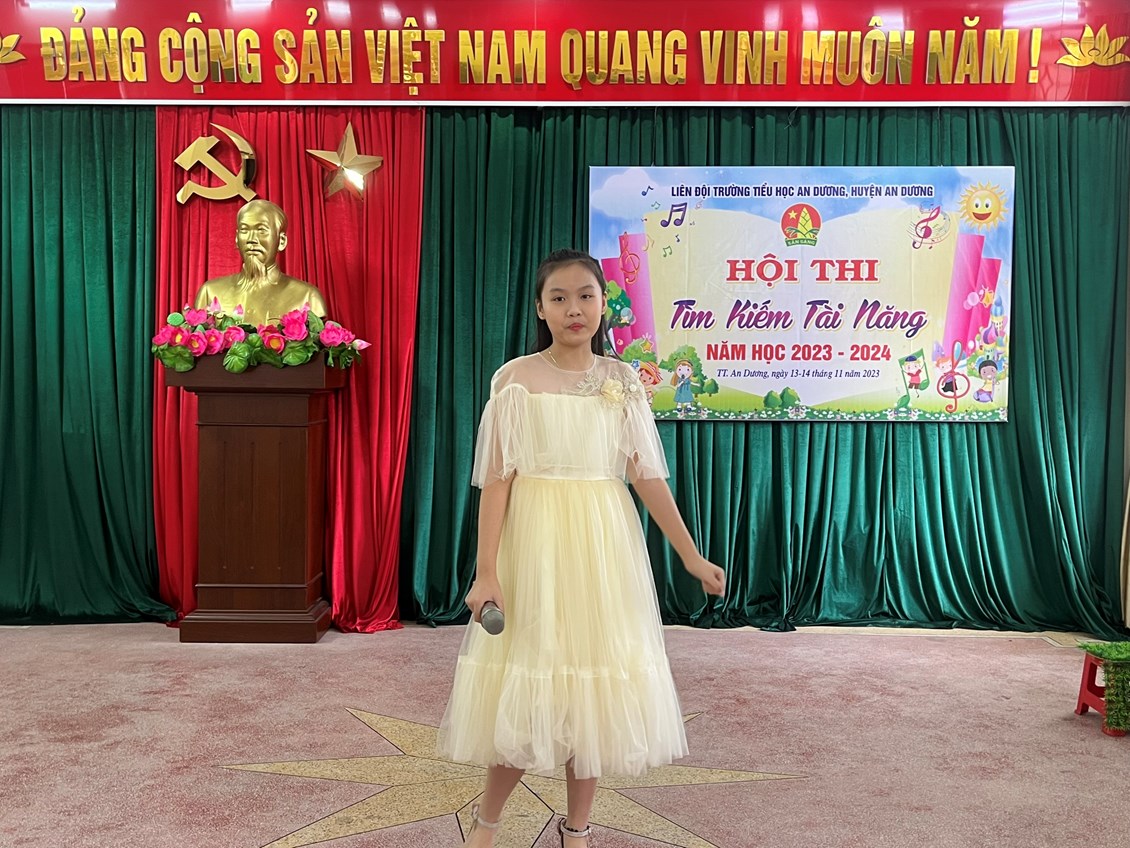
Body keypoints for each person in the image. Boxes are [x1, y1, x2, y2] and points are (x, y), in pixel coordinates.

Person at [437, 249, 726, 847]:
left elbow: (647, 477)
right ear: (540, 309)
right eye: (560, 298)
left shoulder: (623, 381)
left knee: (594, 689)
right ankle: (487, 826)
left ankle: (578, 829)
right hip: (535, 549)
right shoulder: (515, 379)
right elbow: (498, 481)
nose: (575, 309)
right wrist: (486, 572)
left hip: (603, 548)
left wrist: (690, 554)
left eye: (586, 296)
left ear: (603, 305)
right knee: (527, 685)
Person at [193, 199, 328, 326]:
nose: (251, 239)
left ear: (281, 241)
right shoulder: (210, 292)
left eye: (261, 230)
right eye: (244, 230)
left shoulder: (307, 297)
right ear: (236, 239)